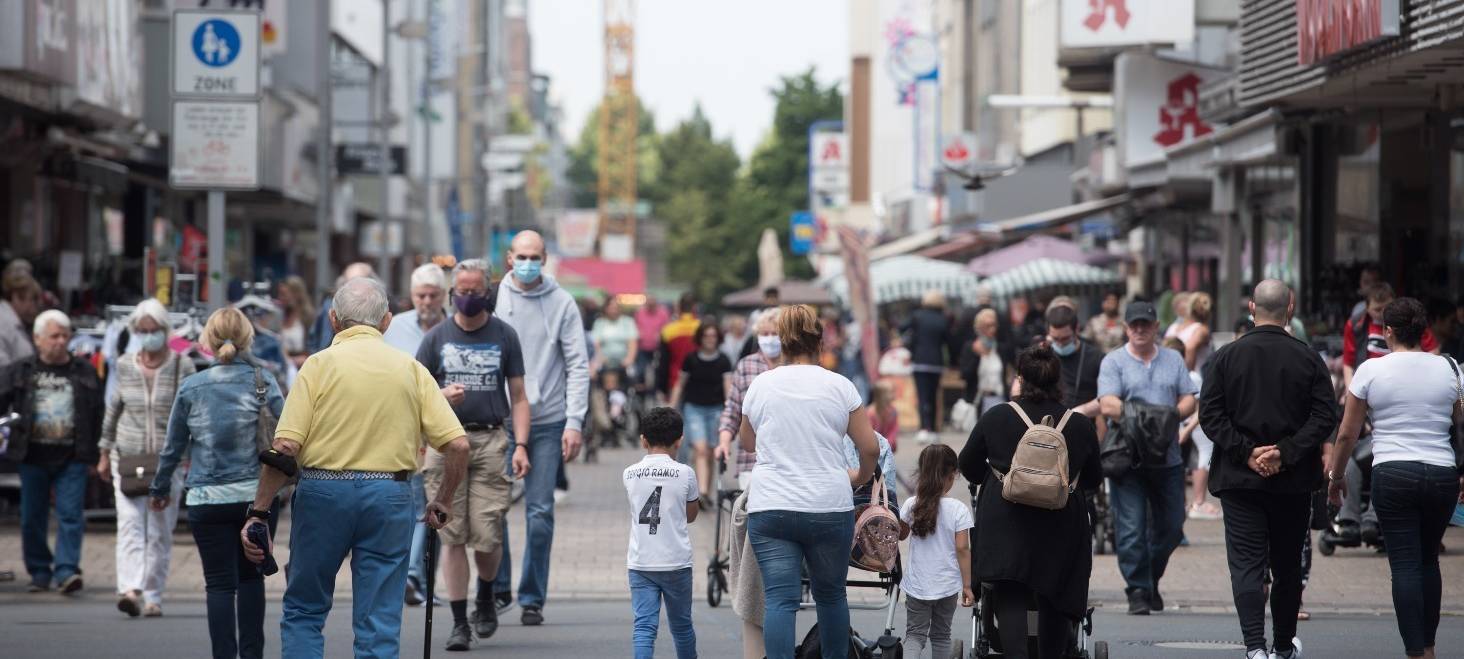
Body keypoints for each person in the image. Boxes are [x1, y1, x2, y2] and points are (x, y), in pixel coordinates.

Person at [240, 277, 471, 658]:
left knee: (304, 607)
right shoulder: (410, 369)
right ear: (386, 321)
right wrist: (443, 499)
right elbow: (458, 444)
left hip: (323, 493)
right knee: (379, 617)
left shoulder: (317, 366)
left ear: (333, 319)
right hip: (389, 495)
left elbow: (285, 447)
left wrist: (259, 512)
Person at [1200, 280, 1338, 659]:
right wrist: (1285, 452)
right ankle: (1283, 645)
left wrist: (1246, 452)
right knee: (1287, 565)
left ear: (1251, 307)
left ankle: (1254, 647)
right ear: (1290, 308)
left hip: (1239, 480)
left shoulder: (1226, 357)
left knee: (1246, 565)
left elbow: (1210, 414)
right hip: (1292, 481)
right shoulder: (1308, 358)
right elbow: (1325, 416)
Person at [739, 304, 879, 659]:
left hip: (772, 506)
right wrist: (859, 477)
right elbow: (870, 448)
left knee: (780, 600)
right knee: (831, 596)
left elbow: (748, 442)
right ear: (820, 341)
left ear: (783, 342)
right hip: (829, 504)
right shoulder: (841, 386)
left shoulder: (761, 385)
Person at [1327, 297, 1461, 659]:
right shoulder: (1449, 368)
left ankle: (1416, 651)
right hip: (1441, 473)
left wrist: (1336, 476)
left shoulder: (1372, 370)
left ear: (1388, 331)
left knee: (1404, 564)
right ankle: (1429, 646)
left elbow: (1347, 434)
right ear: (1424, 331)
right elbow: (1459, 422)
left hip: (1393, 471)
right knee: (1428, 560)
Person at [148, 308, 285, 658]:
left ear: (207, 341)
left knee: (219, 585)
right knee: (251, 579)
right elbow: (286, 434)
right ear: (248, 338)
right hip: (256, 500)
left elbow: (173, 447)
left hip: (206, 499)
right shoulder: (263, 381)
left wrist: (160, 488)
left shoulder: (192, 386)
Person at [414, 259, 533, 651]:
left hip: (490, 440)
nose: (467, 297)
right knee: (451, 534)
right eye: (461, 291)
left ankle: (485, 593)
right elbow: (414, 394)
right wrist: (440, 396)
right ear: (453, 294)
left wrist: (521, 444)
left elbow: (519, 396)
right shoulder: (436, 338)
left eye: (475, 291)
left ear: (488, 293)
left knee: (487, 532)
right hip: (445, 444)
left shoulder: (504, 335)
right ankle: (459, 622)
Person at [959, 345, 1101, 658]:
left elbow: (968, 464)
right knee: (1055, 592)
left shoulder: (997, 416)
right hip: (1060, 523)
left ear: (1020, 378)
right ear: (1057, 380)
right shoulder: (1079, 424)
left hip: (1005, 521)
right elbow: (1093, 479)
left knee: (1010, 591)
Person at [491, 230, 590, 626]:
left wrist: (575, 421)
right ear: (509, 258)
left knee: (540, 513)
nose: (528, 263)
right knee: (493, 509)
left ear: (545, 259)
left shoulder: (562, 302)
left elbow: (578, 364)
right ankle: (498, 587)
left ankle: (532, 597)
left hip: (548, 421)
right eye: (522, 256)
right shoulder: (494, 299)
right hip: (500, 420)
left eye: (535, 256)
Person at [97, 299, 197, 617]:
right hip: (127, 456)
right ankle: (130, 589)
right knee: (129, 523)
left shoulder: (183, 365)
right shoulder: (125, 364)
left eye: (154, 330)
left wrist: (191, 454)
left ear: (165, 330)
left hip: (168, 461)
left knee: (159, 529)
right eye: (143, 330)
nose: (149, 335)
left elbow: (192, 414)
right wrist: (104, 451)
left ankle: (153, 594)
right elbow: (114, 409)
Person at [1097, 300, 1197, 615]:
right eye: (1134, 325)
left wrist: (1170, 416)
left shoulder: (1173, 359)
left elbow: (1189, 400)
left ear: (1156, 327)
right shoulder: (1114, 361)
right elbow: (1108, 404)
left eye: (1145, 324)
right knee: (1131, 528)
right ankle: (1138, 589)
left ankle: (1150, 578)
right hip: (1129, 458)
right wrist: (1151, 417)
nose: (1140, 329)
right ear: (1126, 328)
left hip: (1167, 458)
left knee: (1172, 527)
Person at [1, 307, 102, 595]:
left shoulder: (84, 370)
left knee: (70, 515)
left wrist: (96, 454)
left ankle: (67, 570)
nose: (60, 341)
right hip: (32, 455)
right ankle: (39, 571)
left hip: (72, 456)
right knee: (32, 516)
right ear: (38, 339)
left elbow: (97, 413)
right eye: (54, 336)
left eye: (65, 336)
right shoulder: (21, 370)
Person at [380, 262, 451, 606]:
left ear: (443, 296)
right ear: (411, 295)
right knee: (416, 506)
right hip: (405, 431)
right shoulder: (394, 329)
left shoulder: (454, 327)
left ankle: (421, 582)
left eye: (433, 295)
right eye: (421, 295)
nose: (426, 301)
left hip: (445, 431)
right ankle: (411, 577)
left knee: (435, 508)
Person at [624, 406, 700, 659]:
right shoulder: (686, 473)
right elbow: (691, 515)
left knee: (644, 628)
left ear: (643, 440)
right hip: (676, 561)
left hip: (641, 562)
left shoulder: (629, 473)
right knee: (682, 626)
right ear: (680, 440)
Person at [900, 444, 974, 658]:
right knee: (941, 636)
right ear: (952, 476)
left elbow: (901, 535)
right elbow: (962, 548)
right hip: (947, 586)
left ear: (922, 473)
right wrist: (967, 586)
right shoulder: (959, 509)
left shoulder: (911, 504)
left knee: (914, 636)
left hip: (917, 585)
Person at [716, 308, 781, 487]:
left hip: (785, 460)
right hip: (751, 460)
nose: (770, 338)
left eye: (775, 333)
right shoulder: (746, 365)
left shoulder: (793, 366)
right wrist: (724, 442)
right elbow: (732, 409)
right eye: (765, 334)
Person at [670, 321, 732, 501]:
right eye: (706, 336)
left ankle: (706, 491)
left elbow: (728, 386)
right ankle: (702, 492)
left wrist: (729, 408)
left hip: (716, 409)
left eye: (713, 336)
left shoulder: (724, 360)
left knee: (711, 452)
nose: (710, 339)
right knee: (700, 449)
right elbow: (680, 384)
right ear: (700, 338)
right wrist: (672, 407)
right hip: (694, 408)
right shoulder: (691, 359)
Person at [905, 290, 951, 445]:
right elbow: (948, 341)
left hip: (920, 361)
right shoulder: (943, 319)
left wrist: (911, 351)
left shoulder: (917, 316)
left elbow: (908, 334)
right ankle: (933, 430)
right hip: (936, 362)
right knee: (933, 396)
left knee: (922, 396)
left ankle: (924, 428)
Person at [1043, 305, 1101, 418]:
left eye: (1065, 338)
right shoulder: (1042, 354)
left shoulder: (1096, 357)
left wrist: (1081, 411)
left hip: (1083, 421)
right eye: (1055, 338)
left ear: (1077, 329)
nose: (1060, 344)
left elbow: (1106, 398)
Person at [307, 261, 375, 353]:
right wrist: (318, 354)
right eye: (350, 282)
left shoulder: (376, 306)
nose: (355, 287)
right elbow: (315, 337)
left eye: (360, 282)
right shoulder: (329, 304)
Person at [959, 308, 1014, 416]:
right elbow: (964, 375)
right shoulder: (971, 347)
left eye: (994, 325)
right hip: (978, 401)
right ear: (979, 328)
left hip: (999, 399)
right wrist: (977, 355)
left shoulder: (1000, 348)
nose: (992, 329)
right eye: (987, 326)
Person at [656, 293, 702, 400]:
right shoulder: (703, 328)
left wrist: (662, 388)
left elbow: (663, 363)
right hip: (700, 382)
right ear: (695, 307)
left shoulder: (668, 330)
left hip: (675, 382)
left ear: (679, 308)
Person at [591, 295, 639, 376]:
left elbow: (632, 343)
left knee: (632, 375)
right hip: (604, 360)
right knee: (592, 374)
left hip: (623, 360)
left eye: (616, 308)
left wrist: (629, 359)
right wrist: (600, 357)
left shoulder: (628, 322)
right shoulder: (599, 323)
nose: (613, 310)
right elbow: (596, 343)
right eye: (611, 308)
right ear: (605, 309)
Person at [0, 273, 40, 367]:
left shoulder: (12, 321)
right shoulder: (4, 323)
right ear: (16, 297)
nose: (36, 306)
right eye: (33, 299)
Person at [634, 295, 671, 391]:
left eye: (652, 304)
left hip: (657, 348)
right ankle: (641, 392)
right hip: (642, 347)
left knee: (656, 371)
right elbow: (635, 327)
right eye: (649, 304)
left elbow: (667, 328)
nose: (650, 306)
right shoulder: (640, 313)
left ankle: (654, 391)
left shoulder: (663, 313)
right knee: (640, 370)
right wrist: (639, 333)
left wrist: (660, 334)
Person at [276, 276, 315, 368]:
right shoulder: (279, 316)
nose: (280, 298)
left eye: (283, 294)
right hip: (281, 367)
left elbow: (315, 348)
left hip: (302, 367)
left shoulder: (308, 317)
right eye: (279, 294)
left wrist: (292, 361)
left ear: (296, 294)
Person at [868, 381, 900, 452]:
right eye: (891, 392)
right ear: (881, 395)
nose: (894, 394)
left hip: (887, 445)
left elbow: (894, 429)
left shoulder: (893, 411)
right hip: (873, 445)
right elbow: (869, 432)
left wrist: (888, 443)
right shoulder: (871, 413)